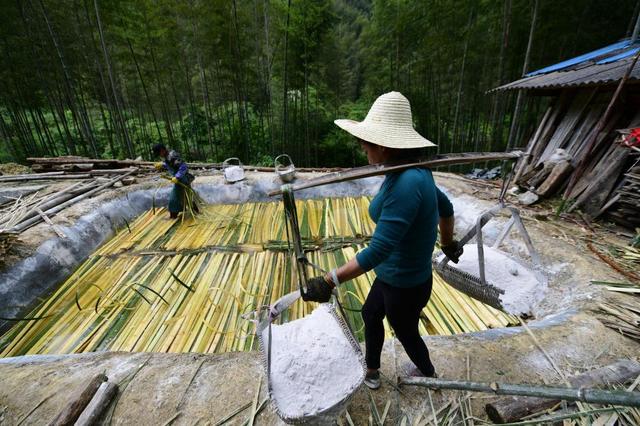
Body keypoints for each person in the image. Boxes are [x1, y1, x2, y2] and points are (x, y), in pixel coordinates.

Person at [301, 92, 463, 390]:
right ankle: (372, 371)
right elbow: (446, 209)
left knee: (405, 333)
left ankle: (428, 373)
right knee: (370, 314)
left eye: (365, 144)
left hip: (405, 284)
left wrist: (329, 280)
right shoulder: (411, 172)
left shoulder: (408, 182)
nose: (363, 149)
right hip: (393, 276)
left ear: (383, 146)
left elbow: (378, 250)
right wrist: (448, 243)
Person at [152, 144, 197, 219]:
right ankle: (196, 211)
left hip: (182, 179)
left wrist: (177, 177)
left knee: (174, 198)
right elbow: (171, 165)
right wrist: (162, 165)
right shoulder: (167, 156)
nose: (159, 155)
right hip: (179, 180)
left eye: (159, 153)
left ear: (162, 150)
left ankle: (173, 217)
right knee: (188, 197)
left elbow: (183, 167)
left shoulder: (172, 155)